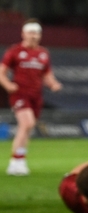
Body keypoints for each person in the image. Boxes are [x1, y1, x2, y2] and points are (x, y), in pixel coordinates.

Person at [1, 19, 63, 176]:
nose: (33, 36)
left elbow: (47, 74)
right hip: (20, 94)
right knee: (27, 124)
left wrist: (53, 84)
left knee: (27, 129)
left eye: (36, 33)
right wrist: (8, 85)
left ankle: (20, 161)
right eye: (30, 32)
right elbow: (1, 72)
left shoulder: (43, 53)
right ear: (23, 34)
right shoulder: (14, 51)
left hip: (36, 96)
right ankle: (15, 161)